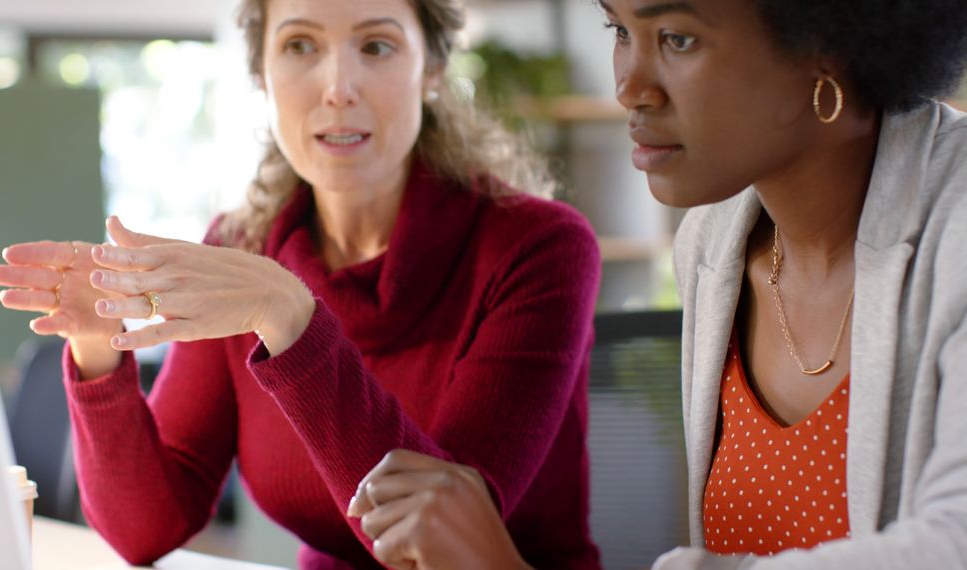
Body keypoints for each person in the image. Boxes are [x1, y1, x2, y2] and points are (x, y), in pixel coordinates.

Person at [347, 0, 967, 568]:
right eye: (620, 31)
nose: (628, 87)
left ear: (829, 41)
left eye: (676, 38)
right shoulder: (714, 244)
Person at [0, 0, 604, 568]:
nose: (337, 88)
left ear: (433, 69)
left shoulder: (538, 248)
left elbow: (431, 546)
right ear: (262, 74)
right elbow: (146, 528)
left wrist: (289, 317)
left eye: (376, 46)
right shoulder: (244, 249)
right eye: (300, 46)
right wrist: (97, 346)